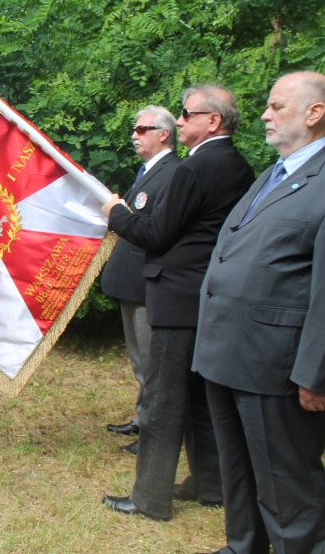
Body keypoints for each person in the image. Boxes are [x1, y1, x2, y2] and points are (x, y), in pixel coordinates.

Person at [99, 85, 255, 520]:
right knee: (200, 398)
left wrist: (116, 212)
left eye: (187, 114)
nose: (180, 120)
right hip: (207, 294)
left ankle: (150, 498)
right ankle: (211, 483)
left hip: (175, 296)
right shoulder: (239, 165)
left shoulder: (194, 168)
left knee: (164, 401)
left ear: (214, 121)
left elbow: (154, 234)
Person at [193, 71, 325, 553]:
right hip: (227, 352)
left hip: (276, 364)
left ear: (314, 113)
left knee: (287, 484)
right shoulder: (277, 172)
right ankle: (243, 545)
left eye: (277, 106)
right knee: (239, 469)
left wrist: (315, 373)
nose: (265, 115)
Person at [100, 106, 181, 455]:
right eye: (135, 129)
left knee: (151, 363)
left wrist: (117, 213)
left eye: (143, 129)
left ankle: (155, 430)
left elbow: (155, 230)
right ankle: (142, 417)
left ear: (164, 134)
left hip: (150, 284)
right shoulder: (149, 170)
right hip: (132, 281)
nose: (135, 135)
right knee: (139, 360)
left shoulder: (174, 173)